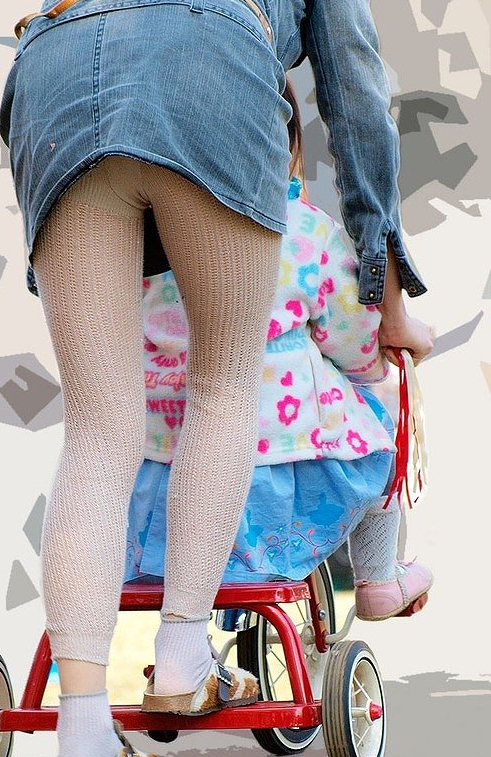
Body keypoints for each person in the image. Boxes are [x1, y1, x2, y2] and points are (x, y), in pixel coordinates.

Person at [0, 0, 434, 757]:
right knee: (224, 385)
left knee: (98, 428)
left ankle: (85, 739)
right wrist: (385, 292)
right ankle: (183, 657)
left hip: (52, 66)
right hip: (206, 57)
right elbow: (357, 96)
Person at [127, 79, 433, 625]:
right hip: (275, 463)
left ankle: (193, 645)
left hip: (165, 462)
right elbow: (352, 337)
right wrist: (373, 363)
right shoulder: (304, 230)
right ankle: (379, 578)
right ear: (287, 143)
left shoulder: (145, 237)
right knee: (380, 431)